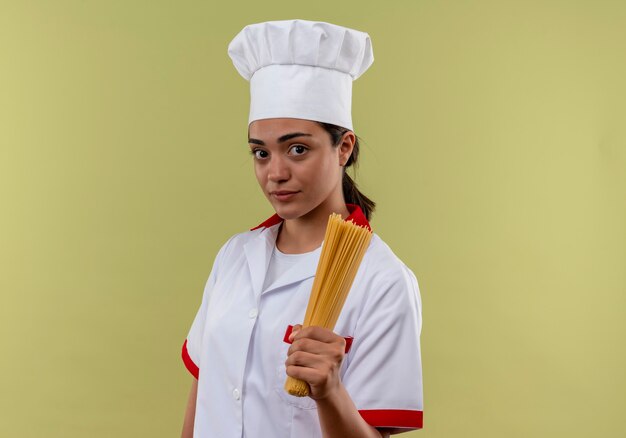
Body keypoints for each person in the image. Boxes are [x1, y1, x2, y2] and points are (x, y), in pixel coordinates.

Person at [181, 19, 423, 438]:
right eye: (260, 152)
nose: (275, 173)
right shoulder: (234, 257)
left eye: (297, 149)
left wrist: (329, 391)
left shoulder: (382, 281)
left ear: (343, 147)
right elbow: (202, 399)